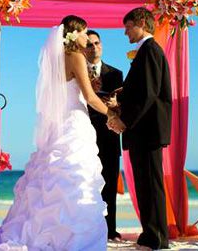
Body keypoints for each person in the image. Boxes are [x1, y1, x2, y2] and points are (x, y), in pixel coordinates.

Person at [0, 15, 116, 250]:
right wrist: (112, 116)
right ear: (74, 34)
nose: (87, 36)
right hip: (74, 124)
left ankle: (45, 232)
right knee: (76, 178)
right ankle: (72, 238)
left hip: (58, 126)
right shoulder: (75, 57)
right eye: (84, 32)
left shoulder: (56, 60)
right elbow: (91, 98)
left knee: (50, 179)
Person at [108, 7, 172, 250]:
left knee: (151, 184)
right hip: (142, 130)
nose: (125, 32)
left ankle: (157, 237)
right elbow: (141, 90)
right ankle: (150, 233)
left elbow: (149, 93)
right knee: (144, 183)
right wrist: (121, 100)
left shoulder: (150, 51)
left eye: (128, 26)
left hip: (148, 129)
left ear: (142, 23)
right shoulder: (145, 52)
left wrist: (125, 120)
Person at [86, 30, 123, 240]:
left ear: (102, 45)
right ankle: (89, 227)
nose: (94, 48)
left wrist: (116, 105)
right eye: (89, 44)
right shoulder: (77, 72)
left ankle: (110, 229)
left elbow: (123, 105)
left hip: (109, 136)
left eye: (97, 43)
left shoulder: (115, 74)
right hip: (84, 135)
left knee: (109, 183)